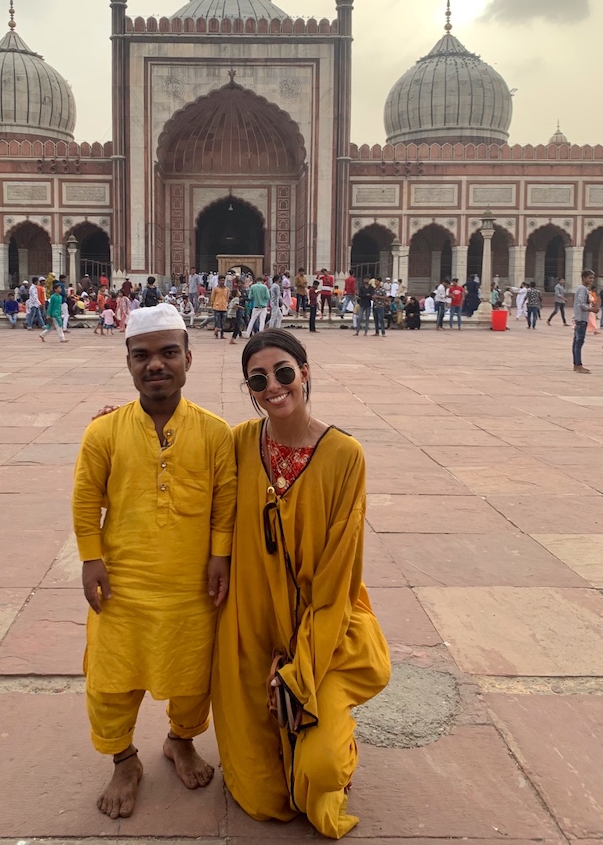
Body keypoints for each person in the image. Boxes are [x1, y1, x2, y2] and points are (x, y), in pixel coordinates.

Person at [212, 329, 390, 839]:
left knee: (321, 773)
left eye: (284, 372)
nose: (273, 386)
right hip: (255, 625)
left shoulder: (343, 455)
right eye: (259, 379)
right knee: (264, 795)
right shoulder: (241, 443)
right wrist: (131, 422)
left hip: (326, 634)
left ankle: (333, 730)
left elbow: (336, 582)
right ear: (250, 388)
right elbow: (185, 446)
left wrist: (296, 666)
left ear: (305, 373)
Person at [72, 304, 236, 820]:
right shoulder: (104, 432)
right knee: (110, 679)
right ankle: (123, 759)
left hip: (191, 585)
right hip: (123, 583)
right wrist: (89, 559)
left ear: (189, 358)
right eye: (142, 356)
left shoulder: (215, 432)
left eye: (168, 353)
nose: (156, 365)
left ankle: (180, 740)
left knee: (192, 676)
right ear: (128, 363)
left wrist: (219, 557)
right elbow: (85, 498)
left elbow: (225, 502)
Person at [573, 270, 598, 373]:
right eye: (589, 278)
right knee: (579, 343)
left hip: (579, 318)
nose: (591, 280)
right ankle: (578, 365)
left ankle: (576, 364)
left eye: (592, 278)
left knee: (576, 342)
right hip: (581, 319)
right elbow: (580, 304)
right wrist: (591, 309)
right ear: (583, 278)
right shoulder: (582, 289)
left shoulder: (582, 289)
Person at [210, 275, 229, 339]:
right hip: (217, 307)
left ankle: (222, 334)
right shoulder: (215, 289)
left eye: (223, 280)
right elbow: (212, 298)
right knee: (217, 322)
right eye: (221, 280)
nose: (222, 282)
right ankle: (216, 334)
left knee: (223, 322)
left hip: (224, 307)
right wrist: (212, 305)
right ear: (218, 281)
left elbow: (227, 298)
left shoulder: (227, 289)